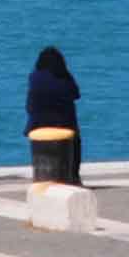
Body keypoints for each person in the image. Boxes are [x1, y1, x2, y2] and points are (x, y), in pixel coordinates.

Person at [24, 44, 80, 172]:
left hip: (37, 124)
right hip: (63, 124)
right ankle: (73, 172)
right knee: (76, 139)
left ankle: (41, 171)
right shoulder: (64, 76)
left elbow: (29, 105)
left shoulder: (34, 77)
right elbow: (76, 94)